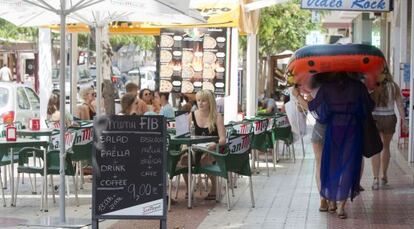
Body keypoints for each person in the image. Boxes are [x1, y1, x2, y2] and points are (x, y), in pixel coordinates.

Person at [293, 72, 374, 219]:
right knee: (348, 166)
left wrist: (297, 95)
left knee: (332, 165)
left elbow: (313, 107)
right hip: (353, 131)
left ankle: (330, 202)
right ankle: (341, 207)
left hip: (334, 130)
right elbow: (369, 106)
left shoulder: (327, 88)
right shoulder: (358, 87)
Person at [180, 90, 226, 200]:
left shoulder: (217, 116)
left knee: (206, 159)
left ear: (210, 102)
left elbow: (223, 139)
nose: (200, 103)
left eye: (204, 101)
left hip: (212, 149)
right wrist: (180, 125)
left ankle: (214, 188)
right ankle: (189, 188)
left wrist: (214, 145)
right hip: (195, 148)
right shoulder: (192, 115)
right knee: (184, 160)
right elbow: (182, 134)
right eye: (198, 100)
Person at [370, 72, 408, 190]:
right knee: (385, 147)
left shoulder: (372, 85)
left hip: (375, 118)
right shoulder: (394, 86)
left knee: (376, 149)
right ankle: (384, 175)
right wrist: (404, 121)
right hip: (389, 118)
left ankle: (375, 179)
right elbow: (400, 105)